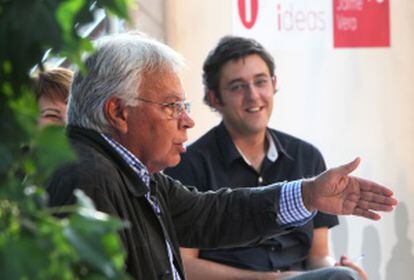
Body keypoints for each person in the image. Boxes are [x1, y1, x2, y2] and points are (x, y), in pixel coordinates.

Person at [46, 32, 397, 280]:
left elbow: (212, 214)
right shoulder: (87, 178)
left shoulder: (131, 172)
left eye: (261, 81)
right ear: (118, 113)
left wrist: (308, 195)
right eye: (172, 106)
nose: (188, 120)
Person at [164, 36, 368, 280]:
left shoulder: (307, 157)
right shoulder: (188, 164)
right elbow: (183, 265)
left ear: (274, 84)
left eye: (260, 82)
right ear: (215, 98)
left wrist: (337, 267)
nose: (253, 96)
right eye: (238, 86)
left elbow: (318, 256)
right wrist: (269, 279)